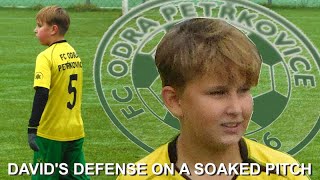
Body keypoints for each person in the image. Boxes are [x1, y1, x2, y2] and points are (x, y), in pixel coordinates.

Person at [117, 18, 310, 179]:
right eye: (218, 93)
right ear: (174, 101)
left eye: (244, 90)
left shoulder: (284, 173)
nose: (236, 109)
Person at [28, 5, 89, 179]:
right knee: (76, 176)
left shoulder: (46, 56)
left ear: (53, 29)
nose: (35, 30)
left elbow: (41, 93)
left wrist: (32, 128)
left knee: (44, 176)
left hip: (51, 132)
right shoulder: (73, 53)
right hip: (75, 130)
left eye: (39, 26)